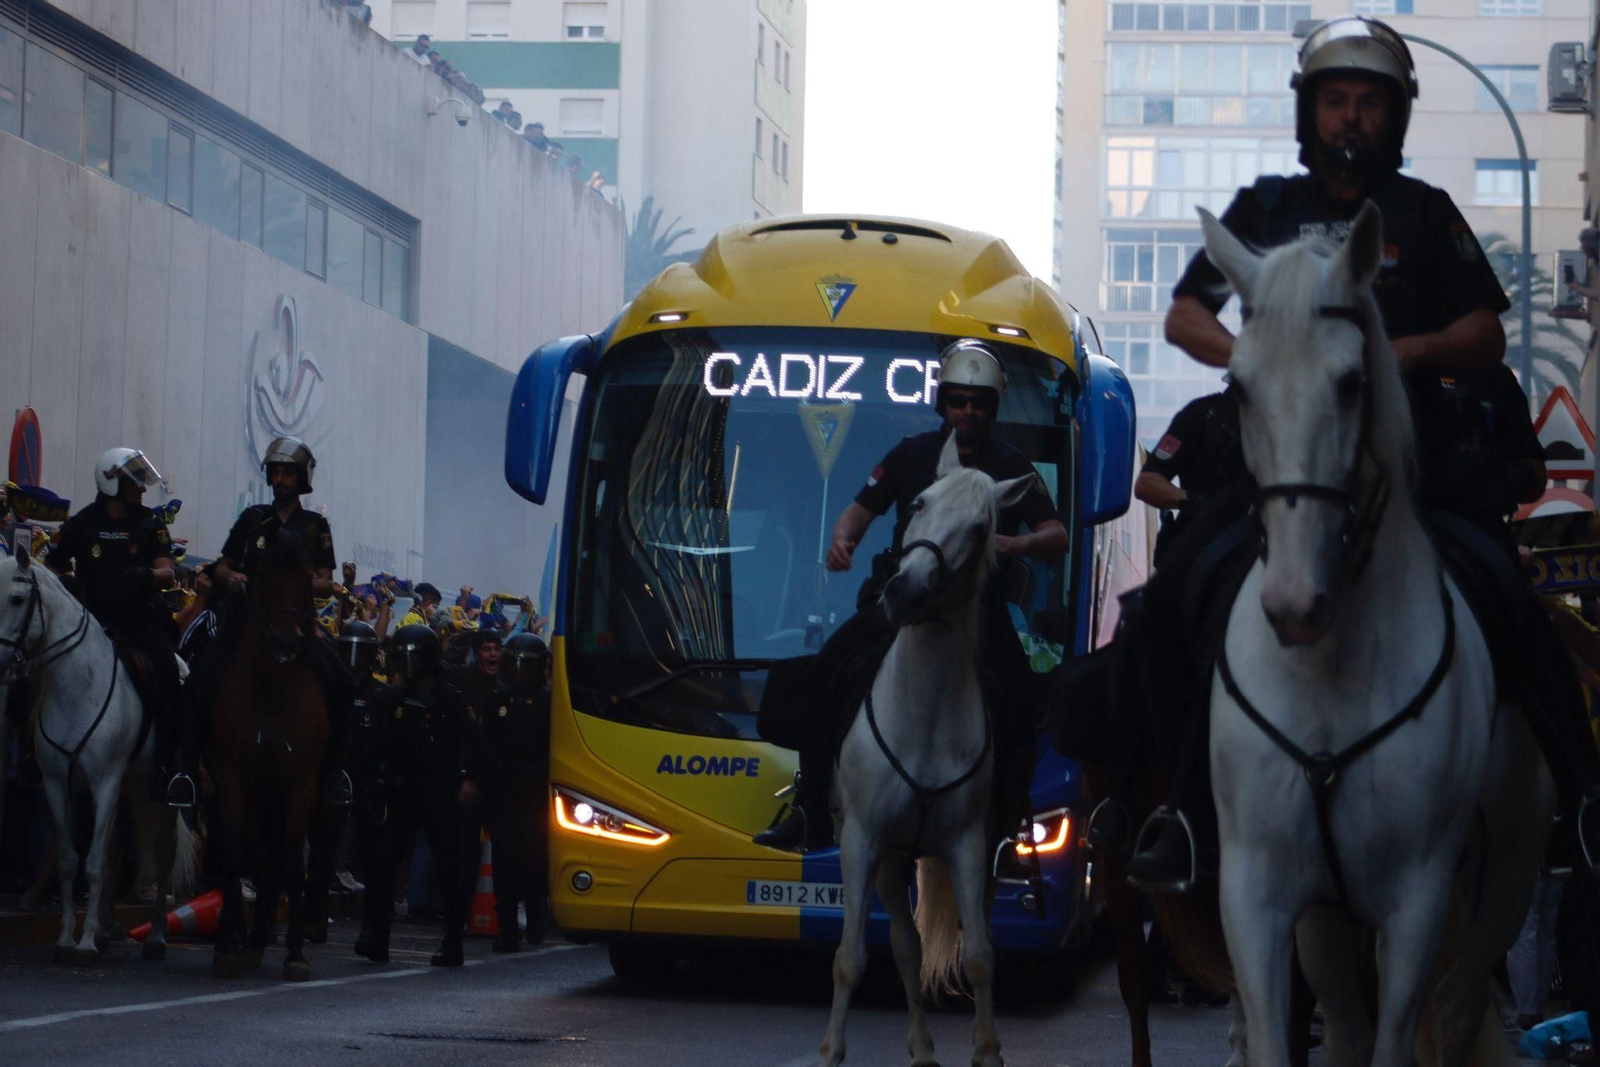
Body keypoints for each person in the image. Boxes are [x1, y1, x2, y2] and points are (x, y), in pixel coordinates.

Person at [1097, 15, 1600, 891]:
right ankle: (1176, 809)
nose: (1352, 117)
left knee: (1512, 597)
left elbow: (1486, 330)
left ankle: (1584, 803)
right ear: (1310, 111)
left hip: (1416, 470)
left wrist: (1411, 351)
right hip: (1281, 473)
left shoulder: (1425, 213)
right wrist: (1257, 359)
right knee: (1170, 604)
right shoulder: (1264, 209)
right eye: (1336, 100)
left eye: (1370, 102)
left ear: (1394, 117)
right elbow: (1185, 316)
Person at [754, 338, 1069, 850]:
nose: (967, 410)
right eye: (958, 399)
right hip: (900, 599)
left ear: (992, 408)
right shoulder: (911, 454)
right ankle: (810, 807)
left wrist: (1015, 541)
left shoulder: (1013, 465)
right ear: (941, 402)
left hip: (975, 609)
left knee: (1022, 703)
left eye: (979, 402)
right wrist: (842, 540)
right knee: (826, 676)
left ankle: (1009, 831)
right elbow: (862, 509)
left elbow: (1058, 534)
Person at [200, 436, 354, 807]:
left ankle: (337, 775)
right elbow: (222, 565)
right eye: (277, 472)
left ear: (301, 479)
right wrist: (232, 577)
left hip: (296, 627)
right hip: (247, 625)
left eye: (289, 473)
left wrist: (298, 581)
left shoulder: (316, 525)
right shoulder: (252, 519)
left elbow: (325, 579)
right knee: (200, 676)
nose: (281, 479)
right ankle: (188, 770)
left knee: (342, 681)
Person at [44, 449, 185, 805]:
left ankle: (169, 769)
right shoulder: (81, 524)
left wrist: (148, 576)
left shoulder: (151, 522)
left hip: (138, 620)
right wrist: (69, 586)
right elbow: (51, 567)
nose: (140, 487)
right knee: (38, 669)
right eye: (133, 480)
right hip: (88, 620)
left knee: (169, 670)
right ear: (111, 482)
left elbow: (168, 570)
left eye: (140, 479)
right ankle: (36, 758)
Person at [354, 625, 480, 966]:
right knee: (384, 864)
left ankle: (453, 943)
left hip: (440, 790)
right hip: (403, 790)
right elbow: (379, 742)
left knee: (447, 865)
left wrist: (467, 778)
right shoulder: (393, 697)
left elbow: (469, 741)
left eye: (410, 657)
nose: (404, 664)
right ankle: (377, 936)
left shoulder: (451, 697)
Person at [474, 632, 551, 949]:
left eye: (525, 666)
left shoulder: (548, 702)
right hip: (504, 792)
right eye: (514, 664)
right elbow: (484, 743)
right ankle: (506, 928)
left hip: (535, 793)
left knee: (534, 861)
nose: (518, 672)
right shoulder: (498, 700)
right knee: (504, 864)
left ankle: (535, 921)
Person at [1134, 388, 1244, 568]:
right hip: (1203, 543)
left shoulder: (1286, 424)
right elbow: (1147, 483)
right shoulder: (1201, 415)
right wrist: (1195, 501)